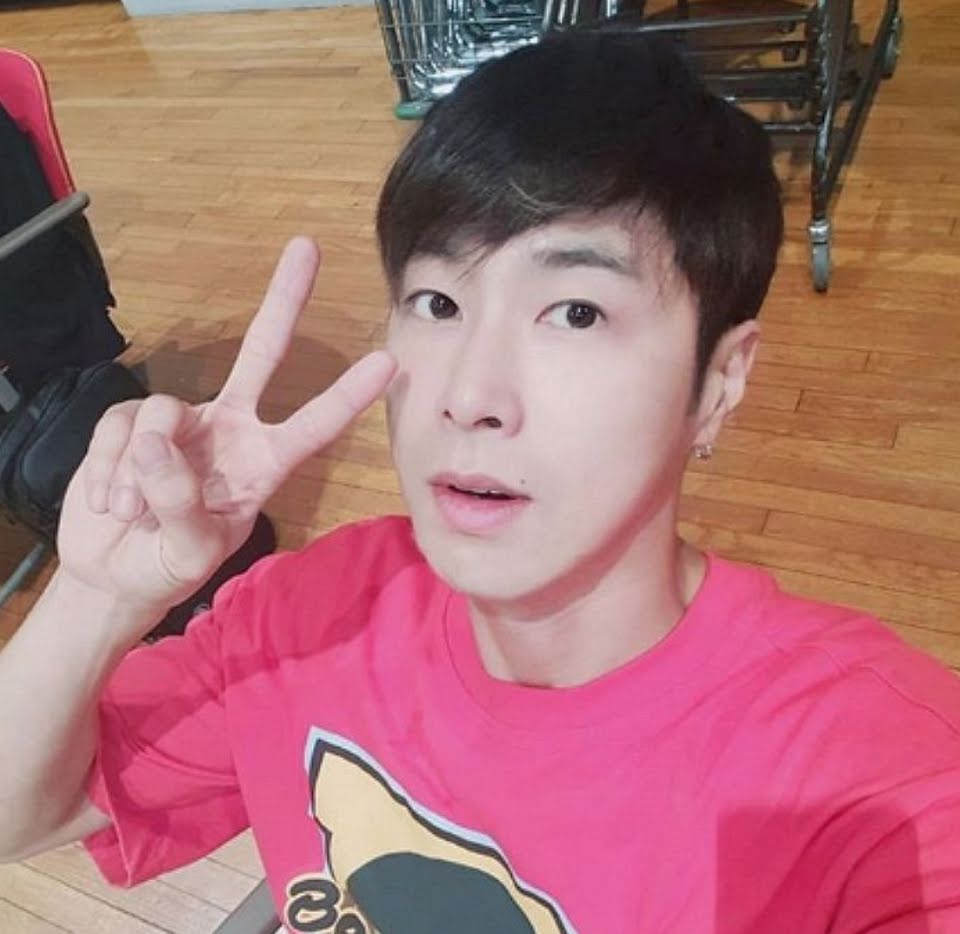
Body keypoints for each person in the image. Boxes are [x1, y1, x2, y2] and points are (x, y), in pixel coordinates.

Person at [1, 31, 958, 934]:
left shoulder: (873, 782)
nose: (470, 395)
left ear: (719, 383)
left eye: (576, 312)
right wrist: (100, 596)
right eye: (438, 301)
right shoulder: (310, 615)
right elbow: (23, 816)